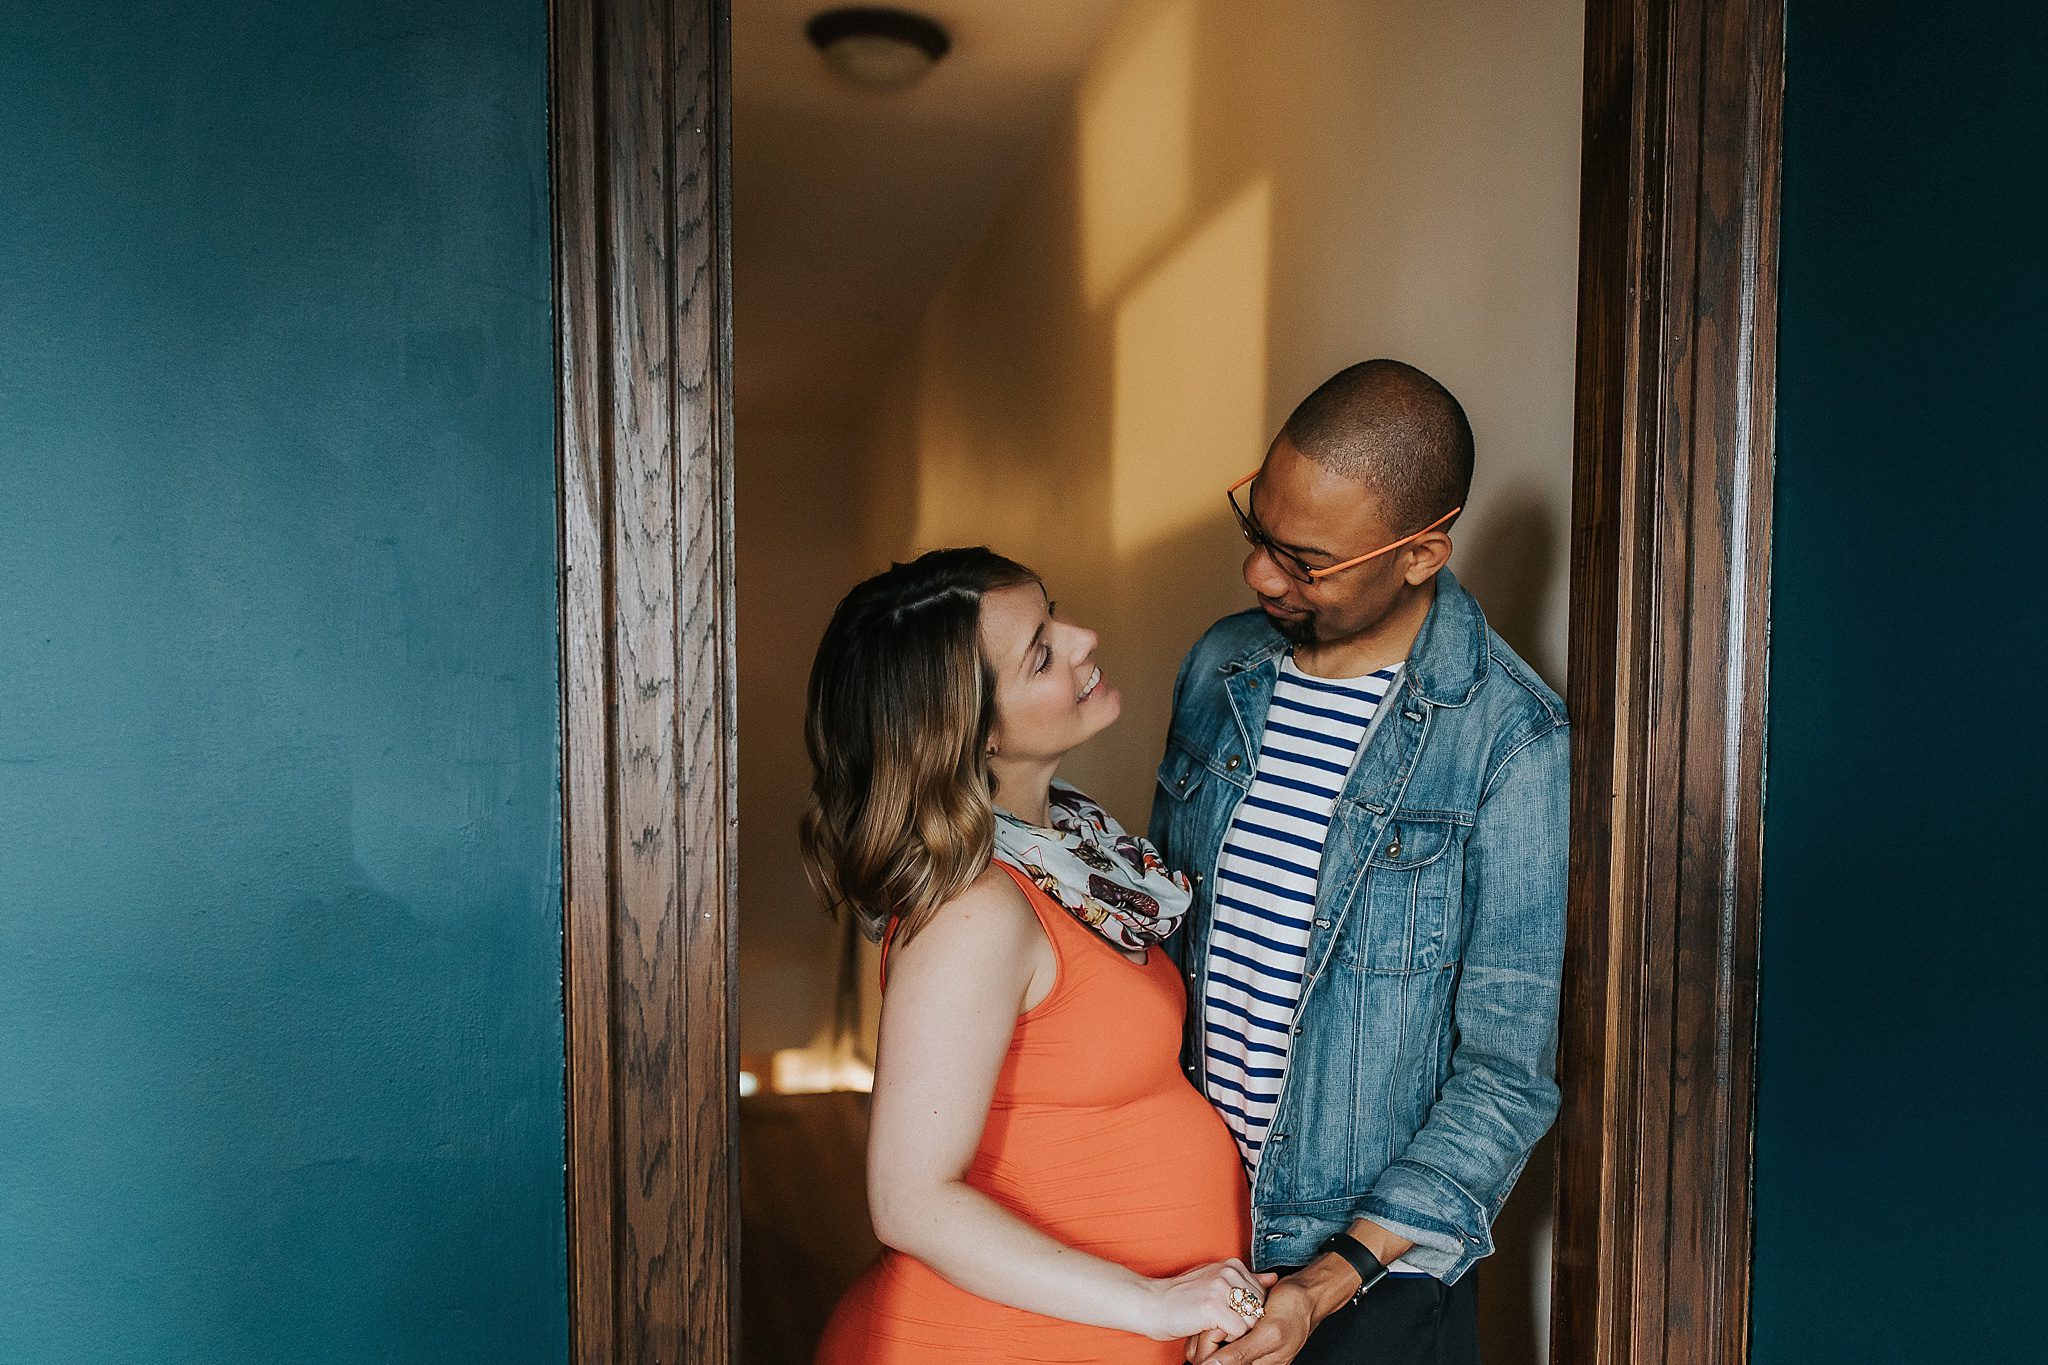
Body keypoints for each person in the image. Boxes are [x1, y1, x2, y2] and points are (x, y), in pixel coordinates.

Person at [1149, 361, 1569, 1365]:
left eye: (1304, 561)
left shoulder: (1510, 741)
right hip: (1177, 1239)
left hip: (1364, 1286)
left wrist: (1321, 1284)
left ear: (1420, 554)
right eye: (1256, 530)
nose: (1259, 577)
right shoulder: (1218, 666)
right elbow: (1156, 943)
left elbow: (1504, 1076)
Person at [807, 547, 1268, 1365]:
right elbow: (909, 1200)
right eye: (1042, 653)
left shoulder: (1073, 849)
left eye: (1053, 615)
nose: (1085, 639)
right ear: (976, 731)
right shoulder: (974, 911)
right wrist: (1154, 1300)